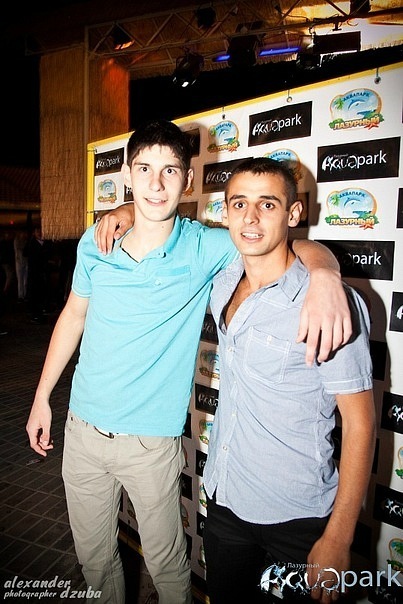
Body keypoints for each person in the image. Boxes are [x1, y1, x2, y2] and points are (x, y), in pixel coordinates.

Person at [26, 120, 352, 604]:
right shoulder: (95, 242)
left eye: (170, 171)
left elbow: (280, 243)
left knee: (168, 569)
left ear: (189, 180)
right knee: (94, 562)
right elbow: (73, 316)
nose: (156, 184)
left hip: (150, 443)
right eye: (144, 170)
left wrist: (325, 272)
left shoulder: (205, 246)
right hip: (82, 431)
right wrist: (41, 398)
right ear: (127, 176)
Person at [201, 157, 376, 604]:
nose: (250, 218)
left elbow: (360, 424)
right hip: (225, 498)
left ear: (293, 213)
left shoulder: (329, 305)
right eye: (239, 204)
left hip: (298, 517)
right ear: (225, 212)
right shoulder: (223, 280)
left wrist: (338, 536)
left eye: (267, 204)